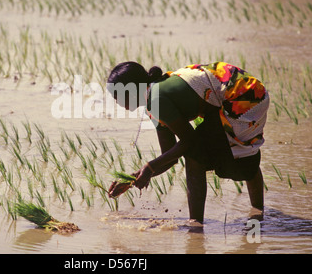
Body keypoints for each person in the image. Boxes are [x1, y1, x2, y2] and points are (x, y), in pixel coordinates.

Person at [106, 61, 269, 224]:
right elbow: (169, 156)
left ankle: (196, 225)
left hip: (244, 98)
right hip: (248, 93)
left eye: (117, 96)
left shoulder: (157, 99)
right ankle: (257, 211)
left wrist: (149, 167)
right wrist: (132, 179)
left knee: (200, 156)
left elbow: (190, 141)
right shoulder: (154, 100)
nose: (116, 102)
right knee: (227, 154)